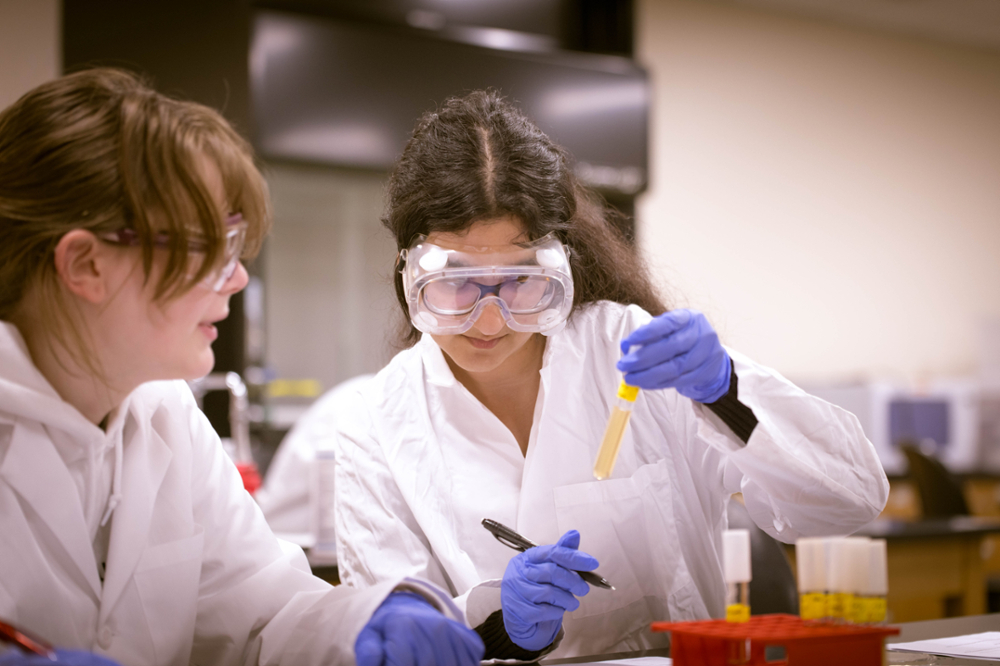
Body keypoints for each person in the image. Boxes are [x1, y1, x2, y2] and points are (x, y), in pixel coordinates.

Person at [333, 90, 890, 660]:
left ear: (559, 266)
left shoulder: (632, 353)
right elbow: (395, 646)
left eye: (520, 280)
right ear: (408, 273)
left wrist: (724, 391)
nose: (492, 317)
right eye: (456, 281)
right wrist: (505, 630)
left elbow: (849, 499)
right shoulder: (375, 426)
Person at [0, 68, 484, 666]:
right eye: (209, 247)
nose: (237, 278)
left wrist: (362, 625)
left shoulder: (163, 412)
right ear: (86, 264)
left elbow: (263, 613)